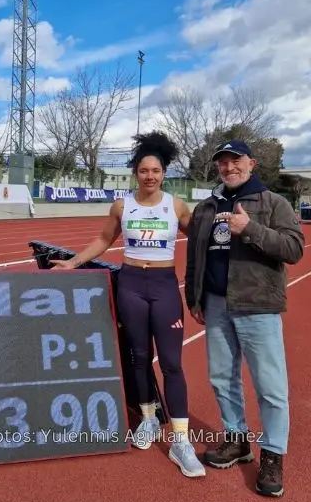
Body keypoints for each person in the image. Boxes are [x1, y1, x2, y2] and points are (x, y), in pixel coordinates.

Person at [50, 131, 203, 478]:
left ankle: (181, 441)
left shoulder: (176, 206)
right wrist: (72, 263)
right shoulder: (122, 206)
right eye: (144, 170)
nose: (150, 176)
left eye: (157, 170)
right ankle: (148, 420)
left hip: (164, 287)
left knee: (172, 364)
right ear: (136, 172)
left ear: (165, 173)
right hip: (131, 284)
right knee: (137, 357)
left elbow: (202, 238)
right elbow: (105, 239)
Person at [184, 139, 302, 498]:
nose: (229, 167)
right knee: (222, 378)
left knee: (270, 387)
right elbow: (195, 257)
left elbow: (294, 248)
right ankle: (237, 440)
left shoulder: (272, 203)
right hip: (217, 305)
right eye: (223, 162)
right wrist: (194, 296)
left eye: (236, 161)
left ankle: (272, 454)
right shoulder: (207, 207)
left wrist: (249, 229)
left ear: (251, 163)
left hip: (257, 305)